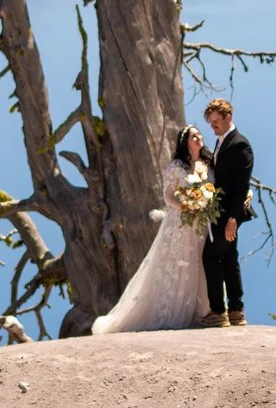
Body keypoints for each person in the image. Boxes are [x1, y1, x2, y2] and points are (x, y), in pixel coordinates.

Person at [91, 126, 215, 334]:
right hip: (180, 221)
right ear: (185, 141)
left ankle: (203, 312)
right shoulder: (176, 166)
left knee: (201, 262)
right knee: (175, 263)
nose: (199, 137)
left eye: (200, 134)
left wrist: (204, 204)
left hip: (202, 224)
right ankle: (167, 311)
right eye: (194, 135)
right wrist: (188, 205)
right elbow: (168, 196)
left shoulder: (209, 165)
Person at [201, 97, 253, 328]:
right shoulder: (220, 143)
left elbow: (242, 185)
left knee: (210, 256)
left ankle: (218, 312)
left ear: (228, 117)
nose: (212, 125)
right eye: (210, 122)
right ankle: (236, 312)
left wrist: (233, 219)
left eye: (215, 121)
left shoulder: (240, 144)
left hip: (230, 214)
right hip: (221, 212)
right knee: (230, 259)